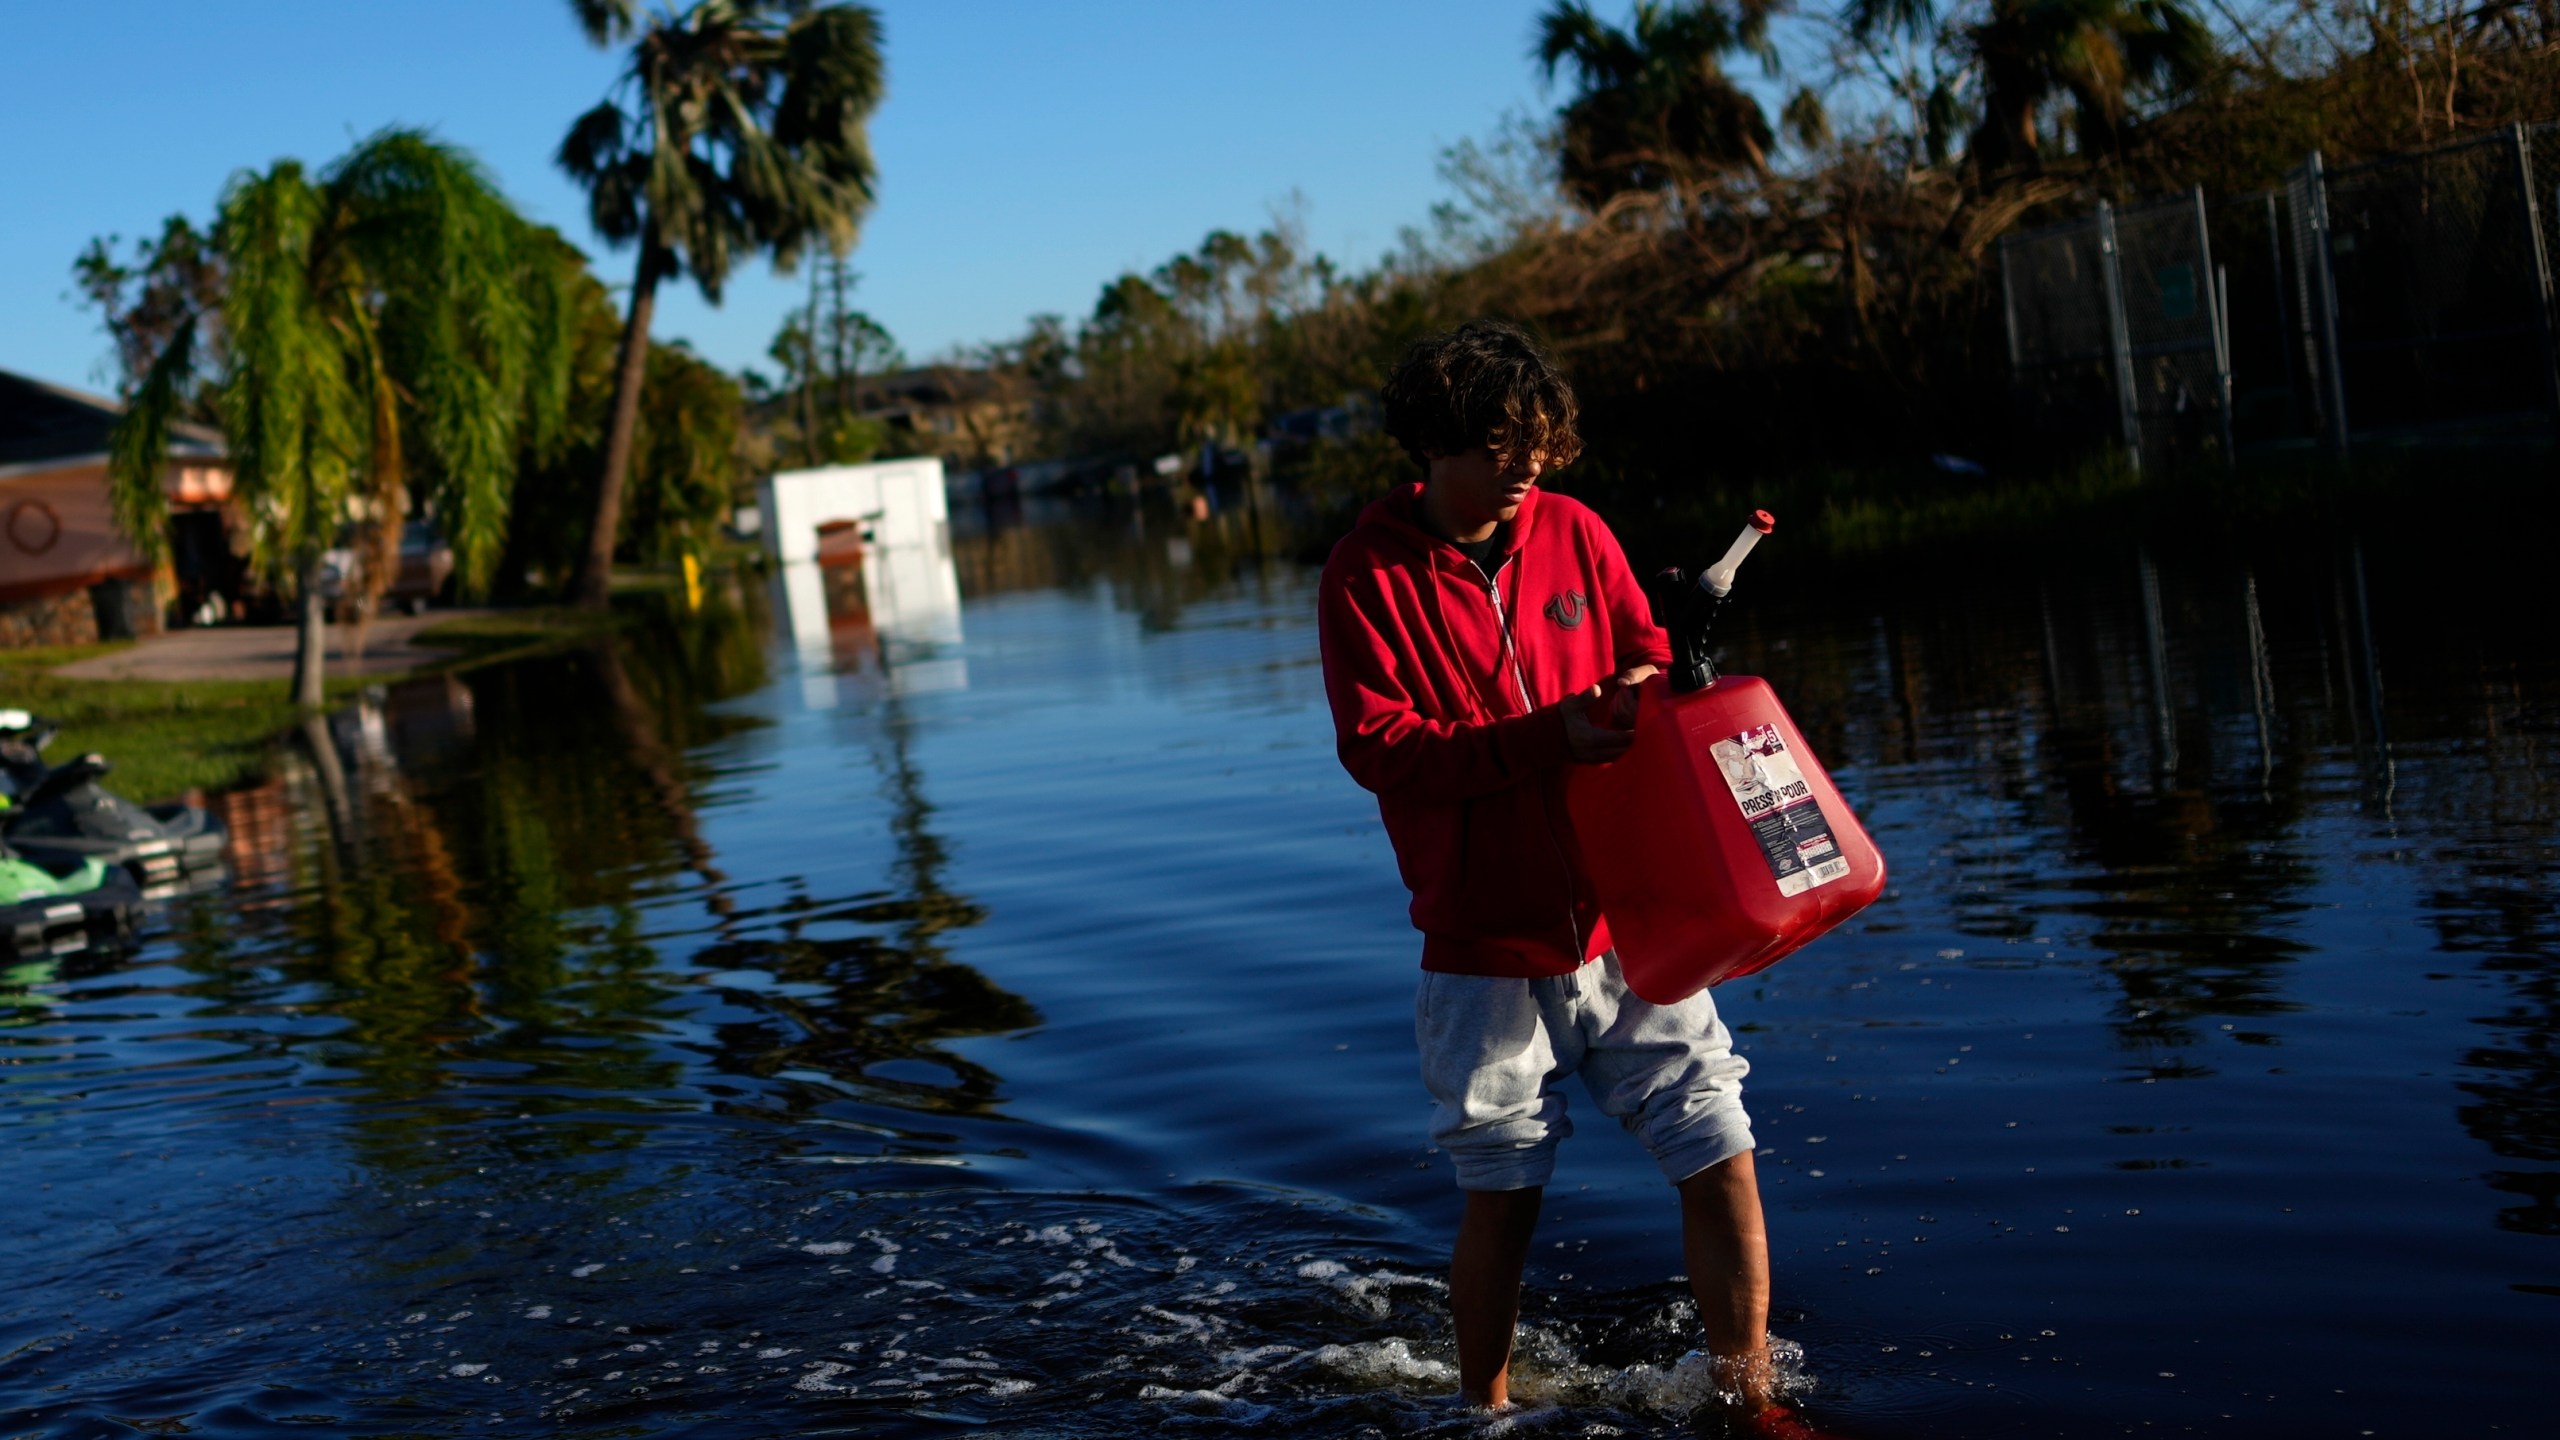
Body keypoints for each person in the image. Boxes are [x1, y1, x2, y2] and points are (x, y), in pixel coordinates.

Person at [1316, 320, 1799, 1429]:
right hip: (1484, 943)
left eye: (1540, 440)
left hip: (1633, 920)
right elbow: (1380, 748)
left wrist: (1662, 662)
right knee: (1503, 1200)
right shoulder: (1365, 574)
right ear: (1435, 445)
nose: (1529, 464)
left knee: (1719, 1144)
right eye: (1502, 443)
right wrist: (1546, 735)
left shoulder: (1576, 531)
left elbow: (1640, 656)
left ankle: (1750, 1400)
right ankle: (1483, 1414)